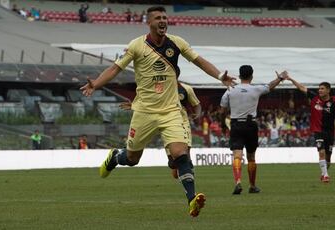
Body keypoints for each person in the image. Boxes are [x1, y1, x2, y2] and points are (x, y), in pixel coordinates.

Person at [80, 6, 235, 217]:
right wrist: (96, 83)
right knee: (132, 159)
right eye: (158, 18)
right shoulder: (137, 45)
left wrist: (219, 76)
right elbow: (115, 68)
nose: (163, 21)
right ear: (149, 22)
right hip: (144, 111)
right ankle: (116, 157)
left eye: (165, 17)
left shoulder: (177, 43)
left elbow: (199, 61)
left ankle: (192, 200)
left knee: (181, 153)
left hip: (171, 111)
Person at [220, 65, 286, 195]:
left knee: (237, 155)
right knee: (251, 157)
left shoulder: (230, 90)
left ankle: (238, 182)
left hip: (236, 124)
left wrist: (223, 124)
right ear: (251, 76)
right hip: (251, 125)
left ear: (239, 76)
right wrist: (279, 78)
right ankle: (252, 185)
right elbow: (270, 86)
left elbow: (223, 109)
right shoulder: (256, 89)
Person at [119, 81, 202, 179]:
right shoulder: (160, 86)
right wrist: (134, 105)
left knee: (184, 156)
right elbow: (151, 101)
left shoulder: (186, 88)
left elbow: (197, 104)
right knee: (173, 163)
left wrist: (197, 114)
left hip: (181, 123)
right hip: (164, 121)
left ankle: (191, 187)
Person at [285, 73, 335, 183]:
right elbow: (301, 87)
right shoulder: (314, 98)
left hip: (329, 132)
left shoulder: (333, 101)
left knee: (328, 158)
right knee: (321, 152)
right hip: (318, 131)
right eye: (319, 89)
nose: (320, 90)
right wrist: (291, 79)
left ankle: (324, 172)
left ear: (328, 90)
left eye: (322, 89)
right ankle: (326, 176)